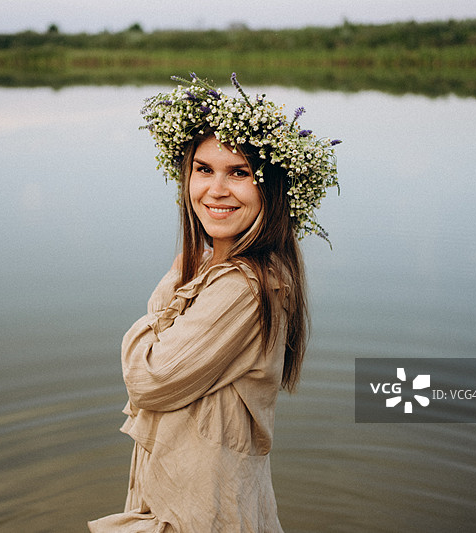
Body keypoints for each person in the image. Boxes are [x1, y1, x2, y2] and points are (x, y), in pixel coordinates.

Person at [88, 73, 340, 532]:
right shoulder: (221, 272)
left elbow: (147, 378)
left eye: (239, 172)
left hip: (201, 509)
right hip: (199, 494)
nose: (216, 189)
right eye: (204, 169)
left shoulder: (246, 286)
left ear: (270, 188)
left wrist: (170, 286)